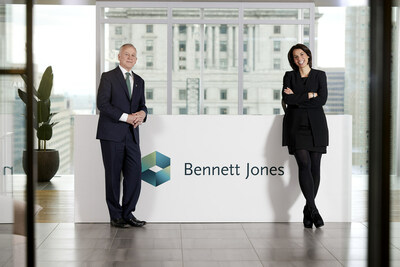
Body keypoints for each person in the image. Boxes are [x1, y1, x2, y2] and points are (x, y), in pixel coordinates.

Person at [96, 43, 148, 228]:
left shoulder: (139, 81)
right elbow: (102, 104)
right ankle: (115, 216)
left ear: (136, 59)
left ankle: (128, 213)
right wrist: (127, 118)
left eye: (133, 55)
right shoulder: (108, 77)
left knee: (134, 175)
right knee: (113, 177)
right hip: (111, 135)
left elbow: (142, 105)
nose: (130, 57)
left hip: (132, 136)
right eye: (126, 54)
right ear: (119, 56)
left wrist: (143, 114)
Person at [281, 43, 329, 228]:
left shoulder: (320, 75)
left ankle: (308, 209)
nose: (299, 58)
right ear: (292, 60)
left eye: (301, 54)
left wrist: (298, 98)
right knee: (304, 164)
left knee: (315, 166)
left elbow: (322, 100)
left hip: (316, 126)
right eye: (295, 56)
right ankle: (314, 210)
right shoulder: (289, 76)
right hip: (296, 126)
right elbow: (287, 100)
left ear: (308, 56)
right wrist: (309, 95)